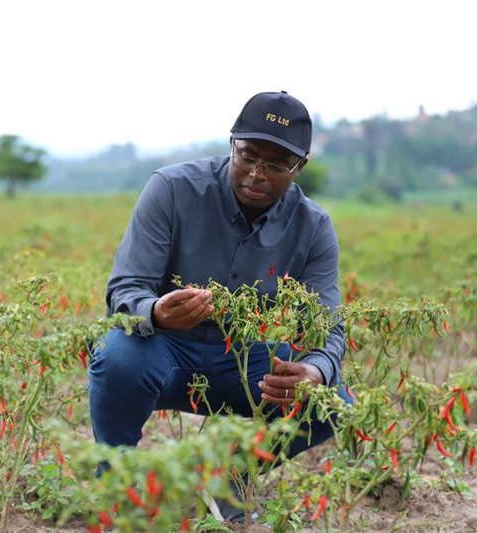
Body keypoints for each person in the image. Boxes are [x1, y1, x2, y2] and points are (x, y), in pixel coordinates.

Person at [88, 91, 350, 522]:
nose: (255, 173)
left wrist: (315, 369)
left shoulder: (313, 226)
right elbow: (125, 289)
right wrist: (156, 311)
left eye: (275, 165)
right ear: (232, 143)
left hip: (241, 364)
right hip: (162, 353)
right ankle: (115, 489)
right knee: (117, 356)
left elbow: (327, 328)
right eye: (247, 155)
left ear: (299, 166)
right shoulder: (172, 189)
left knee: (333, 400)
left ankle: (228, 480)